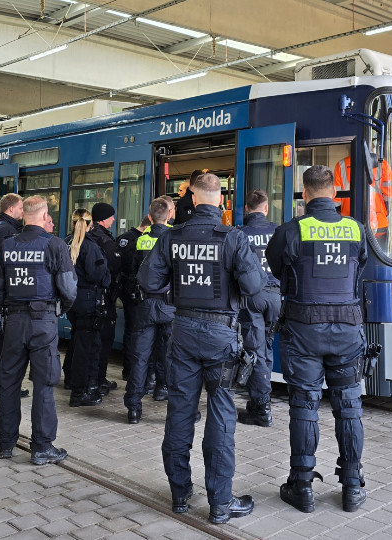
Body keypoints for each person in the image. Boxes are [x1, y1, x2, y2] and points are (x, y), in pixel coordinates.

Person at [138, 173, 265, 524]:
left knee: (180, 411)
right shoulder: (232, 237)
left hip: (182, 332)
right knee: (221, 414)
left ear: (193, 200)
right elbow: (253, 287)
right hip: (221, 337)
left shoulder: (172, 236)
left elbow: (148, 280)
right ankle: (220, 503)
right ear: (220, 200)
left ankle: (180, 495)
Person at [266, 165, 369, 513]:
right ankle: (352, 487)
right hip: (348, 329)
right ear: (335, 192)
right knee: (349, 405)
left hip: (303, 330)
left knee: (304, 405)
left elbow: (277, 268)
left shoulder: (291, 230)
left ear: (305, 192)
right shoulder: (356, 228)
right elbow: (359, 268)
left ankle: (302, 486)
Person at [0, 195, 78, 465]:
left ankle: (5, 444)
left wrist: (11, 305)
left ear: (24, 215)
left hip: (14, 323)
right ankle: (41, 447)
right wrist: (58, 310)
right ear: (44, 215)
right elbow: (69, 289)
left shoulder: (7, 245)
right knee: (44, 384)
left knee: (9, 383)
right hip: (44, 323)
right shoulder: (55, 245)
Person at [124, 197, 175, 424]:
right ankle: (167, 394)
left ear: (149, 216)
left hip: (144, 305)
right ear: (169, 215)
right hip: (169, 306)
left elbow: (133, 272)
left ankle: (134, 408)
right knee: (172, 356)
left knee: (140, 357)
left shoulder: (141, 240)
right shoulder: (174, 238)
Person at [236, 189, 281, 427]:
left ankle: (262, 408)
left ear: (246, 209)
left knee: (256, 351)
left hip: (252, 299)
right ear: (266, 208)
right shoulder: (277, 231)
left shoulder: (240, 233)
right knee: (266, 347)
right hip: (276, 298)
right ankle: (259, 400)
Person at [0, 193, 28, 399]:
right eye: (20, 208)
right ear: (11, 209)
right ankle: (2, 385)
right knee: (3, 341)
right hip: (3, 292)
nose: (23, 211)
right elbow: (7, 262)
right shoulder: (7, 230)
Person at [65, 209, 111, 407]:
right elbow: (98, 275)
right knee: (87, 347)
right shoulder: (90, 246)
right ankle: (80, 391)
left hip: (72, 301)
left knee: (77, 342)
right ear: (91, 224)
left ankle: (72, 381)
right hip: (89, 301)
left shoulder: (66, 242)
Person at [86, 202, 121, 396]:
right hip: (105, 297)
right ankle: (99, 380)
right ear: (104, 219)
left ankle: (91, 379)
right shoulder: (105, 240)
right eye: (111, 216)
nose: (114, 219)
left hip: (92, 296)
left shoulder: (90, 236)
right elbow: (115, 266)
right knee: (104, 339)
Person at [115, 215, 152, 380]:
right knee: (135, 331)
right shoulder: (140, 240)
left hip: (125, 290)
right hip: (134, 291)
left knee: (131, 329)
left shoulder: (123, 238)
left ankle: (128, 369)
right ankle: (132, 370)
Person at [333, 156, 392, 232]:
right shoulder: (382, 164)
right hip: (378, 224)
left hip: (349, 225)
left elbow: (336, 201)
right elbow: (391, 196)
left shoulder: (341, 165)